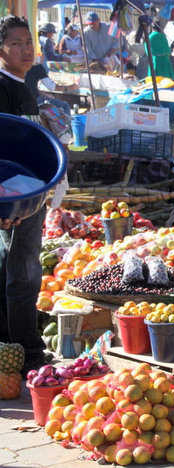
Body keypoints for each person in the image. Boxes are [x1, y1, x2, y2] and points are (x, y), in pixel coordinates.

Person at [0, 15, 51, 375]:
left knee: (17, 269)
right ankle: (26, 350)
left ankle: (10, 345)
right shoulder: (2, 86)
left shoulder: (24, 84)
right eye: (15, 43)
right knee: (23, 274)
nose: (24, 49)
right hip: (14, 198)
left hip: (29, 194)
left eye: (28, 41)